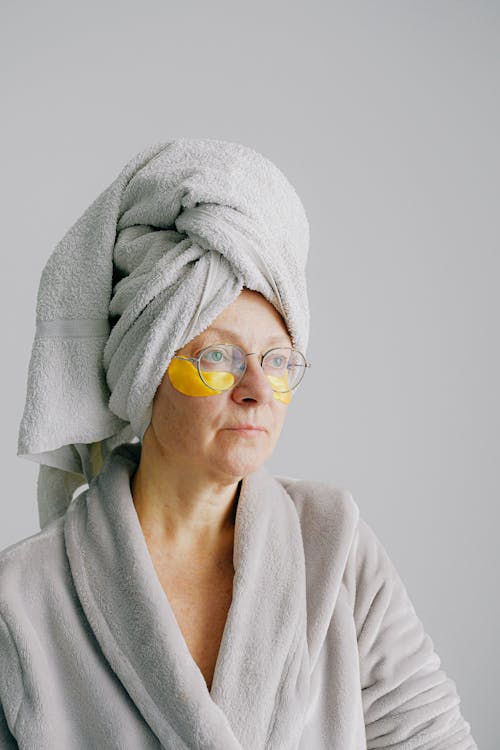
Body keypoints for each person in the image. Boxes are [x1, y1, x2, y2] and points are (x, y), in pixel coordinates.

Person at [0, 138, 477, 748]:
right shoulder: (22, 597)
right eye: (218, 358)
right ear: (144, 373)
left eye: (277, 359)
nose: (258, 390)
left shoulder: (333, 546)